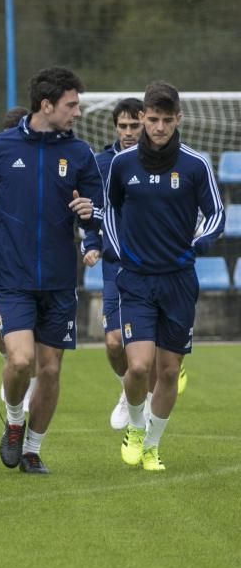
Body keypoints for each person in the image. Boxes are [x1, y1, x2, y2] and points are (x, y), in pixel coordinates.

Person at [0, 66, 104, 474]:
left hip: (60, 280)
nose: (78, 113)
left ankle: (31, 449)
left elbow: (99, 210)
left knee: (50, 369)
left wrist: (89, 213)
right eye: (71, 105)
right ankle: (13, 421)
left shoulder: (80, 154)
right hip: (11, 276)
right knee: (21, 361)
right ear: (47, 105)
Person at [104, 81, 223, 471]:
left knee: (169, 371)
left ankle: (153, 445)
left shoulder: (194, 164)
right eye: (152, 119)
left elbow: (216, 214)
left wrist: (198, 245)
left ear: (178, 120)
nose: (158, 127)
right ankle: (136, 428)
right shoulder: (123, 165)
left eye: (166, 120)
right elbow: (109, 211)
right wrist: (121, 253)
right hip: (136, 280)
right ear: (141, 118)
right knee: (138, 366)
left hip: (178, 280)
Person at [94, 99, 189, 430]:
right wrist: (93, 244)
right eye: (124, 126)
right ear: (115, 128)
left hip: (156, 270)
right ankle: (129, 390)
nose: (130, 132)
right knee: (113, 342)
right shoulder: (105, 163)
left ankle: (143, 399)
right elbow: (98, 211)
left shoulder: (163, 163)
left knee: (152, 352)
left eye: (136, 125)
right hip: (115, 267)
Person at [0, 106, 36, 413]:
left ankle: (23, 371)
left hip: (29, 263)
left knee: (25, 345)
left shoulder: (36, 164)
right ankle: (13, 357)